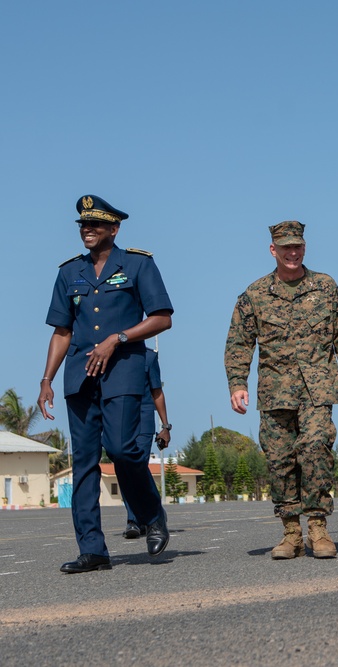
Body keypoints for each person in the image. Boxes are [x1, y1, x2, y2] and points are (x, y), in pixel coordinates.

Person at [38, 195, 173, 573]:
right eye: (83, 225)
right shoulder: (68, 273)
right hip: (79, 378)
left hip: (124, 371)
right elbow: (62, 331)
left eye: (96, 225)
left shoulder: (138, 264)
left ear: (114, 229)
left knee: (122, 449)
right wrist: (47, 378)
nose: (88, 230)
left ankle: (151, 514)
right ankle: (93, 550)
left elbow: (162, 318)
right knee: (83, 463)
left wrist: (119, 338)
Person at [225, 221, 338, 560]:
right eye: (285, 247)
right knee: (280, 460)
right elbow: (239, 342)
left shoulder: (325, 287)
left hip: (317, 389)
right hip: (274, 393)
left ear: (304, 247)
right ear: (273, 250)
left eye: (297, 246)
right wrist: (237, 383)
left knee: (315, 447)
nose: (292, 252)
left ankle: (317, 525)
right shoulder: (255, 294)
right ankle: (290, 532)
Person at [122, 346, 172, 539]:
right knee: (123, 467)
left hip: (143, 421)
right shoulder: (111, 354)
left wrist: (165, 427)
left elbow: (157, 392)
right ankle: (151, 512)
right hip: (119, 421)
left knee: (137, 466)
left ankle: (134, 520)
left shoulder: (149, 357)